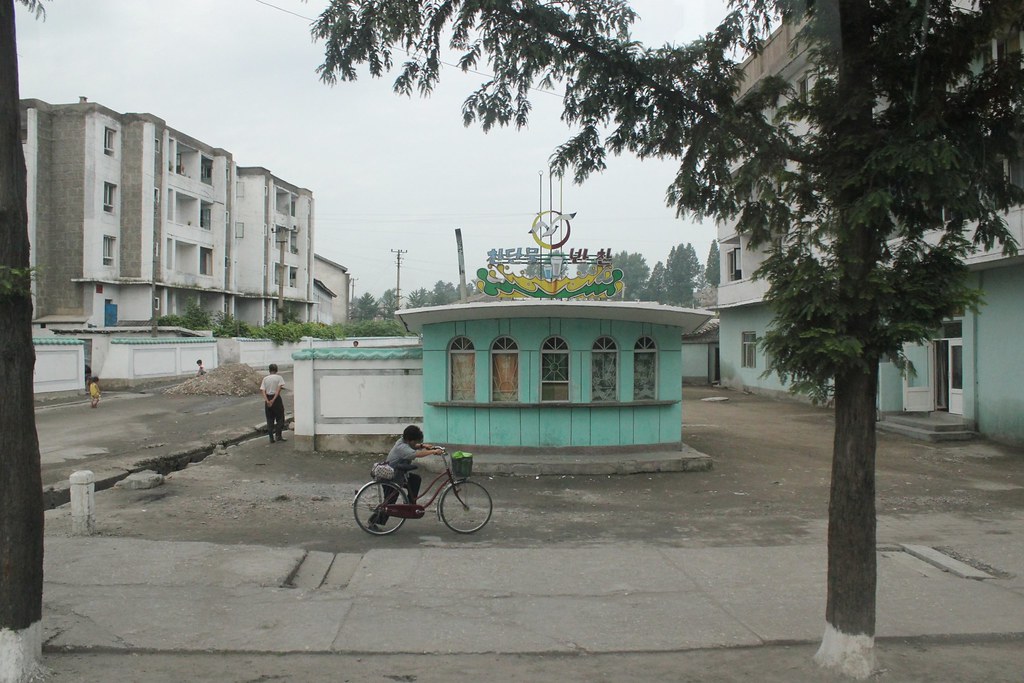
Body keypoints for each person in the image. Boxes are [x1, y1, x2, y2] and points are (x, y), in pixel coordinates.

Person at [369, 425, 443, 530]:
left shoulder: (403, 441)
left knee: (415, 479)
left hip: (399, 474)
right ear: (409, 440)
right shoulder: (402, 448)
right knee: (389, 503)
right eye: (415, 441)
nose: (416, 443)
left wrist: (423, 445)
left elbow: (414, 446)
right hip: (391, 477)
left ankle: (410, 504)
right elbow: (416, 454)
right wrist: (433, 452)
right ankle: (373, 523)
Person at [260, 363, 286, 443]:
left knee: (269, 419)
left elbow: (263, 390)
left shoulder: (265, 379)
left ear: (269, 370)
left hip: (268, 397)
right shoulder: (279, 378)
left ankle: (271, 438)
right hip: (276, 399)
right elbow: (278, 390)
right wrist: (273, 400)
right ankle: (278, 435)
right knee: (280, 418)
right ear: (276, 370)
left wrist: (267, 401)